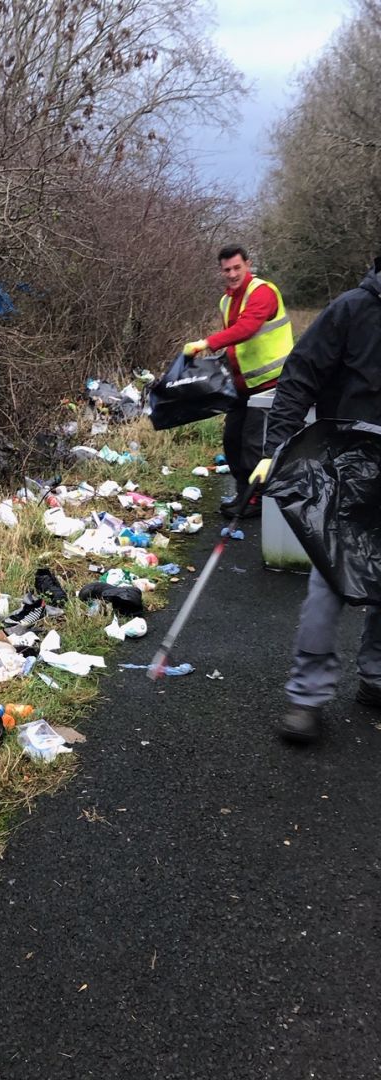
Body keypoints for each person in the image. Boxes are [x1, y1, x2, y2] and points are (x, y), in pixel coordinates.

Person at [249, 256, 381, 744]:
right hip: (349, 464)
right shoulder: (351, 310)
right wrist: (276, 448)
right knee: (332, 579)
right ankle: (307, 697)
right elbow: (299, 377)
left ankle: (376, 677)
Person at [184, 245, 293, 518]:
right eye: (227, 269)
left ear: (248, 264)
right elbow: (235, 344)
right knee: (233, 440)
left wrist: (206, 343)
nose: (232, 274)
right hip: (243, 385)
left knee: (255, 443)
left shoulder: (262, 292)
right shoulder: (226, 301)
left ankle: (255, 499)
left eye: (237, 268)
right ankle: (245, 492)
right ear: (221, 271)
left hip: (272, 383)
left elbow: (246, 328)